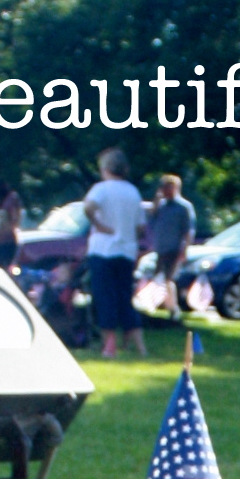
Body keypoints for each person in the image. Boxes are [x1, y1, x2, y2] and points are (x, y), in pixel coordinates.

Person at [84, 144, 147, 357]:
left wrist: (98, 224)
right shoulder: (133, 191)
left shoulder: (101, 189)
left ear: (106, 168)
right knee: (124, 297)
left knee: (105, 297)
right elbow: (140, 227)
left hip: (103, 249)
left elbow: (88, 207)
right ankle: (138, 345)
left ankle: (109, 345)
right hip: (127, 250)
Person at [148, 174, 196, 319]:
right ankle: (158, 305)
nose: (165, 191)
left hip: (175, 248)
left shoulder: (184, 207)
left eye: (169, 187)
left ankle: (173, 309)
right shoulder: (161, 206)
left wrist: (185, 249)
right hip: (160, 249)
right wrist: (156, 200)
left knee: (169, 279)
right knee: (156, 277)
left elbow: (189, 230)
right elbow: (151, 216)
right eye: (163, 187)